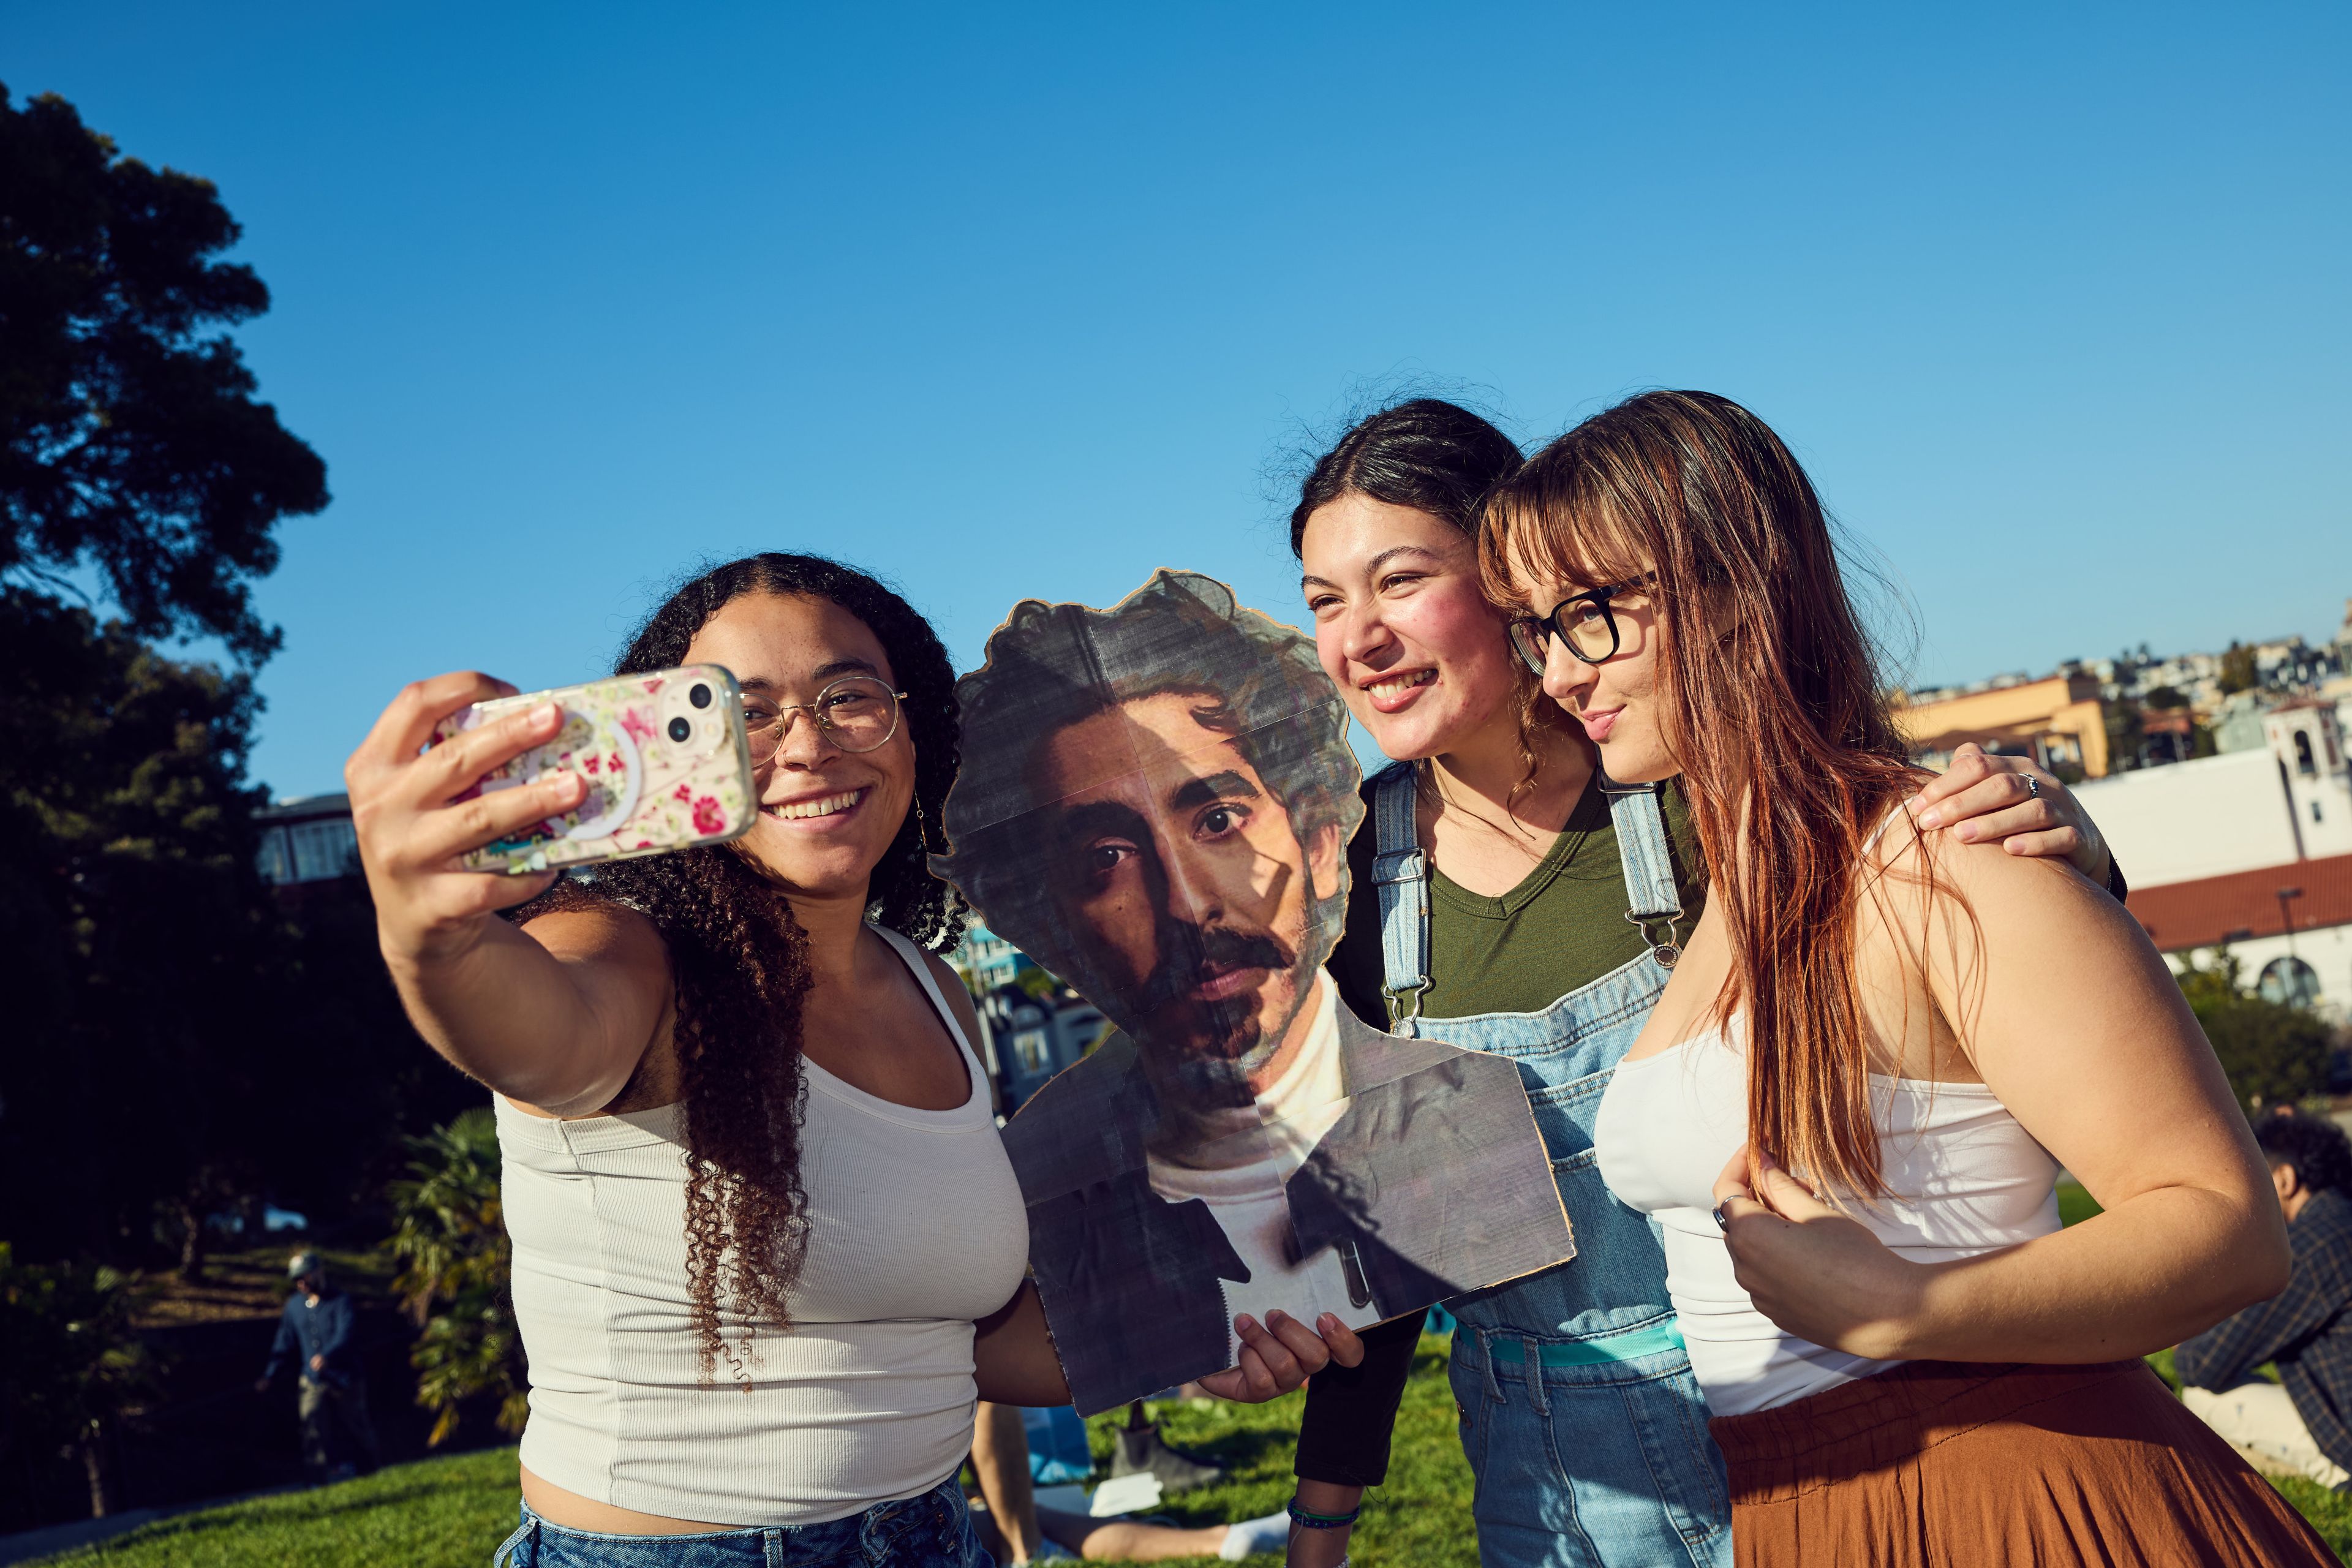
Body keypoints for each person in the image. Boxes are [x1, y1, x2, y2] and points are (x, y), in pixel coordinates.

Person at [344, 553, 1348, 1568]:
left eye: (850, 698)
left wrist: (1202, 1332)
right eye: (743, 712)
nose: (808, 746)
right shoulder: (622, 946)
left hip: (929, 1537)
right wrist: (433, 937)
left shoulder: (936, 991)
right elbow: (540, 1035)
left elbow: (953, 1335)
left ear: (915, 734)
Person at [1471, 389, 2329, 1564]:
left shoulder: (1933, 854)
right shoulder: (1717, 900)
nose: (1560, 671)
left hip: (2012, 1494)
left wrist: (1908, 1308)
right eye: (1535, 628)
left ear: (1736, 584)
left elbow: (2232, 1230)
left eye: (1594, 615)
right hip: (1802, 1512)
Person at [1283, 398, 2124, 1568]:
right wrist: (1322, 1519)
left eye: (1399, 581)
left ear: (1518, 566)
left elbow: (1966, 982)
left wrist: (2072, 843)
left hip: (1813, 1412)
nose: (1357, 638)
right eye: (1325, 600)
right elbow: (1392, 1226)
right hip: (1554, 1483)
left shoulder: (1690, 774)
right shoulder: (1346, 885)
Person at [935, 569, 1567, 1419]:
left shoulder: (1467, 1110)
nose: (1189, 902)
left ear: (1314, 838)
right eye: (1105, 859)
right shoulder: (1039, 1180)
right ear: (1049, 923)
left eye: (1219, 822)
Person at [2179, 1109, 2352, 1488]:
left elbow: (2202, 1365)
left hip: (2347, 1437)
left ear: (2285, 1180)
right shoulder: (2340, 1220)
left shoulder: (2309, 1248)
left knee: (2200, 1398)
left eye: (2254, 1181)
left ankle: (2331, 1470)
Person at [255, 1251, 380, 1481]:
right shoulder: (293, 1307)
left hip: (345, 1377)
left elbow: (347, 1333)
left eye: (304, 1276)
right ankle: (317, 1479)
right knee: (312, 1427)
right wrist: (269, 1375)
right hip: (312, 1379)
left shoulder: (340, 1300)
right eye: (296, 1279)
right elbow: (284, 1342)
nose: (301, 1283)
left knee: (357, 1425)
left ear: (319, 1272)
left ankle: (370, 1470)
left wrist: (328, 1356)